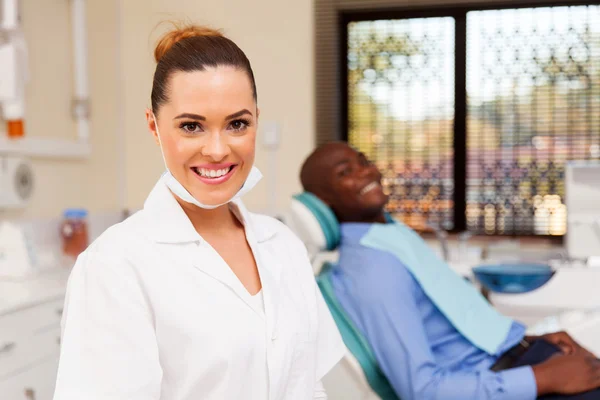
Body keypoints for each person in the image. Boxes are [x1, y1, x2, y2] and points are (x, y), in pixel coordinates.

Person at [53, 24, 345, 400]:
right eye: (192, 126)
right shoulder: (115, 266)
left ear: (257, 119)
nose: (218, 150)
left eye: (237, 124)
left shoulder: (284, 246)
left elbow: (308, 386)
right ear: (154, 127)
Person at [299, 141, 600, 400]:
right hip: (507, 381)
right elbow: (423, 390)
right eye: (345, 173)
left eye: (362, 161)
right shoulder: (372, 269)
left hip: (518, 359)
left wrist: (530, 340)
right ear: (323, 202)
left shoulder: (392, 236)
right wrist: (542, 378)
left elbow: (458, 334)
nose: (365, 171)